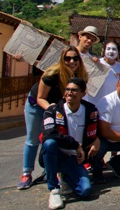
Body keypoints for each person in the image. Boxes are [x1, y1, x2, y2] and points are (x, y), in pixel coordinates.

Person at [17, 46, 88, 190]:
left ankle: (53, 169)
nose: (72, 61)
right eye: (67, 58)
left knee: (57, 137)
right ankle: (27, 173)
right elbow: (41, 97)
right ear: (62, 60)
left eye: (75, 58)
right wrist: (52, 111)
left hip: (58, 107)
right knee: (33, 138)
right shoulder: (52, 74)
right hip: (37, 105)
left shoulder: (81, 75)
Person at [41, 77, 99, 209]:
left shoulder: (91, 111)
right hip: (55, 155)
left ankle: (66, 177)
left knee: (85, 191)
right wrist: (75, 144)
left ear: (83, 94)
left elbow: (100, 128)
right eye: (67, 89)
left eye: (74, 90)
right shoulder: (53, 110)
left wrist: (97, 139)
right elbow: (49, 134)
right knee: (49, 143)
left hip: (74, 159)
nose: (69, 93)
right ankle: (54, 189)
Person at [86, 40, 120, 105]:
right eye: (108, 49)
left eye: (114, 49)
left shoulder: (119, 67)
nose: (111, 51)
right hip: (94, 102)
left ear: (118, 52)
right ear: (104, 51)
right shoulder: (97, 63)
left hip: (110, 103)